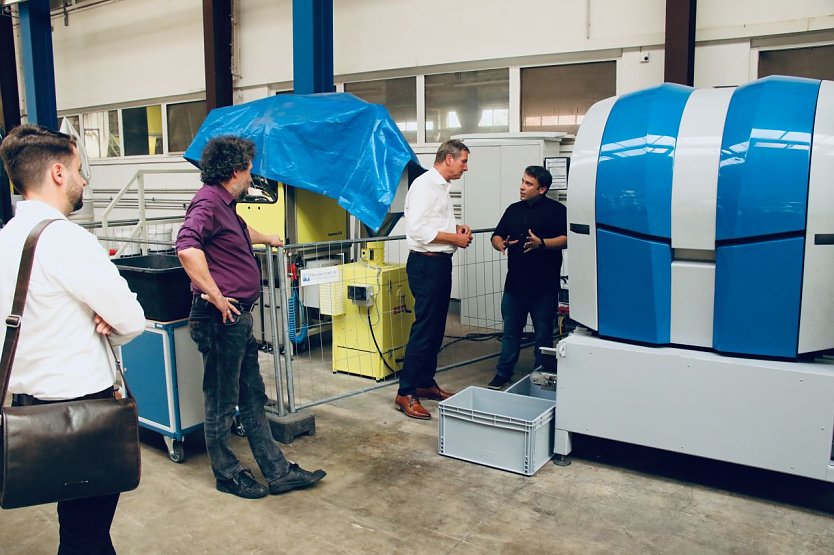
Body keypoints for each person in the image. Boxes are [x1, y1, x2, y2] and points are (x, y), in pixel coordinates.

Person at [0, 124, 146, 554]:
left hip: (28, 409)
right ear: (59, 172)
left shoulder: (6, 239)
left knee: (78, 526)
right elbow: (131, 319)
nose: (84, 182)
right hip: (82, 411)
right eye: (81, 170)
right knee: (86, 532)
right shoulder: (66, 239)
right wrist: (104, 318)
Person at [176, 135, 325, 499]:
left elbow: (239, 232)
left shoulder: (226, 205)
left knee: (253, 396)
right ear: (234, 171)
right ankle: (227, 474)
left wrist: (268, 237)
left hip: (238, 318)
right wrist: (215, 295)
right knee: (221, 400)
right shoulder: (208, 203)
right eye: (248, 171)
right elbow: (186, 247)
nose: (251, 177)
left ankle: (277, 472)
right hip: (219, 317)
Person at [395, 139, 473, 419]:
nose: (466, 167)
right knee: (424, 329)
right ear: (448, 158)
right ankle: (406, 392)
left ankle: (425, 383)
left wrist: (456, 228)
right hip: (426, 265)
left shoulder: (441, 187)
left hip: (439, 264)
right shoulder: (425, 185)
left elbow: (433, 223)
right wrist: (455, 238)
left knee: (436, 328)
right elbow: (417, 230)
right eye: (463, 161)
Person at [486, 165, 567, 389]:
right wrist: (500, 244)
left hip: (544, 287)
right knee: (510, 333)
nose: (522, 187)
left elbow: (567, 239)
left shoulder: (557, 211)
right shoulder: (513, 209)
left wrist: (542, 243)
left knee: (543, 335)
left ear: (542, 189)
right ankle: (503, 373)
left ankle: (543, 377)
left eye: (528, 184)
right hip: (515, 286)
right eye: (522, 181)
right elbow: (497, 235)